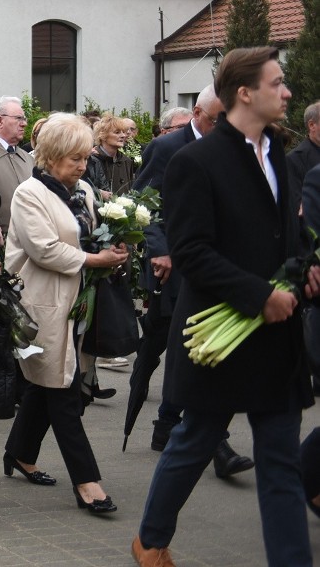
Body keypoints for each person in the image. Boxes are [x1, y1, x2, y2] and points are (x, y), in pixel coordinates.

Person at [132, 47, 320, 567]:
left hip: (276, 336)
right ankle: (150, 539)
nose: (287, 91)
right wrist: (259, 295)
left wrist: (303, 269)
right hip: (223, 332)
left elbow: (282, 233)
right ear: (245, 92)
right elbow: (191, 250)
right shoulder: (196, 161)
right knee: (195, 440)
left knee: (279, 460)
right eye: (277, 82)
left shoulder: (277, 152)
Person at [128, 86, 254, 476]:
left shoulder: (236, 148)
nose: (224, 126)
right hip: (173, 268)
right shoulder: (168, 149)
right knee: (165, 347)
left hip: (215, 269)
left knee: (199, 349)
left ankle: (191, 434)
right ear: (198, 112)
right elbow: (141, 204)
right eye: (218, 119)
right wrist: (160, 249)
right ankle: (170, 426)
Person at [3, 113, 124, 517]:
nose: (82, 165)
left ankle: (18, 452)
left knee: (48, 383)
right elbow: (44, 250)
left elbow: (91, 234)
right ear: (50, 157)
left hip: (79, 305)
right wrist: (95, 258)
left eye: (84, 157)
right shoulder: (29, 193)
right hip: (45, 304)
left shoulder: (84, 190)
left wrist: (116, 253)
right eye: (73, 158)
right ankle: (87, 481)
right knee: (64, 394)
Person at [0, 95, 33, 244]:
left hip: (30, 241)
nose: (24, 123)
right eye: (19, 118)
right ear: (0, 120)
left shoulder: (28, 159)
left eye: (24, 119)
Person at [89, 113, 134, 196]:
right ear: (103, 135)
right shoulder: (91, 160)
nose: (123, 135)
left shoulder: (126, 161)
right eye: (117, 132)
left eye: (123, 132)